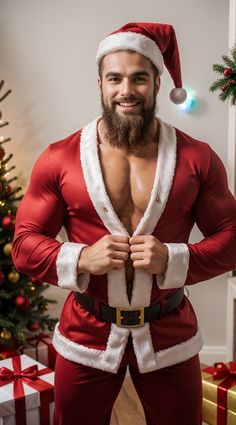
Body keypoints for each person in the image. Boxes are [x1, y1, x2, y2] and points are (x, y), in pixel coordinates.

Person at [12, 22, 236, 425]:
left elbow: (233, 239)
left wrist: (173, 257)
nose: (126, 90)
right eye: (115, 78)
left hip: (170, 334)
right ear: (99, 84)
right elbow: (24, 246)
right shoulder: (58, 159)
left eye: (139, 78)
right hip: (86, 334)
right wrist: (80, 257)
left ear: (155, 82)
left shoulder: (198, 158)